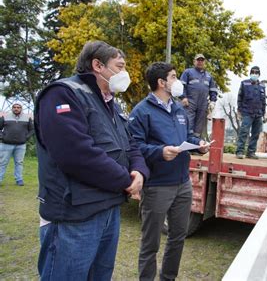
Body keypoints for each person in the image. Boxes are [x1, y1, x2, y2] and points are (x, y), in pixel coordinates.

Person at [34, 40, 149, 280]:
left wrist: (139, 171)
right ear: (97, 65)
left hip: (108, 210)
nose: (124, 73)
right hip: (74, 216)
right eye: (120, 66)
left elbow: (131, 145)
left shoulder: (111, 105)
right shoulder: (63, 93)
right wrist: (125, 181)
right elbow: (75, 154)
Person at [128, 62, 210, 281]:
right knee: (150, 243)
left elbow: (187, 136)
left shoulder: (178, 109)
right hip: (156, 186)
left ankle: (168, 278)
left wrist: (198, 143)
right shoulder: (141, 111)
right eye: (174, 77)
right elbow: (134, 147)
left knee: (177, 237)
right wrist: (159, 152)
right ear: (161, 82)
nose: (178, 81)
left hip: (183, 183)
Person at [180, 54, 218, 137]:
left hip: (203, 104)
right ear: (194, 61)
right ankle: (185, 144)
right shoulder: (188, 72)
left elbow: (213, 90)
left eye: (202, 60)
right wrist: (183, 97)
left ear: (204, 62)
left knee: (199, 127)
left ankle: (195, 145)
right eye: (198, 60)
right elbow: (181, 86)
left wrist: (213, 101)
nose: (200, 62)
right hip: (189, 103)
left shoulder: (209, 76)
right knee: (188, 123)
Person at [235, 66, 267, 159]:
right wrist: (239, 110)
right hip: (247, 112)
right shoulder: (244, 83)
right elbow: (240, 97)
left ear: (259, 74)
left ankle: (251, 152)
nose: (254, 74)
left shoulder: (262, 86)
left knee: (256, 133)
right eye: (253, 72)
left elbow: (263, 100)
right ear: (250, 73)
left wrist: (264, 113)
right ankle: (239, 151)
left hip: (258, 113)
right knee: (244, 132)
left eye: (256, 73)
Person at [0, 103, 34, 186]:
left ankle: (19, 180)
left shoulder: (27, 118)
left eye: (18, 107)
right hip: (6, 144)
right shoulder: (5, 117)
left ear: (21, 109)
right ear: (12, 108)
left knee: (19, 163)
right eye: (14, 107)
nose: (16, 109)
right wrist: (2, 137)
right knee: (2, 163)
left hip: (21, 145)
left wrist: (26, 138)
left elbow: (32, 130)